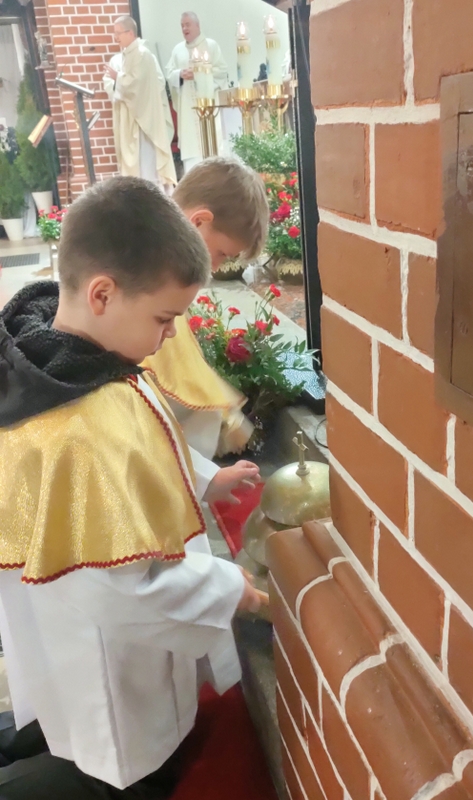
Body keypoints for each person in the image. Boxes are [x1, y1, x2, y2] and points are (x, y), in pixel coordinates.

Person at [0, 176, 262, 798]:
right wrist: (231, 589)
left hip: (70, 633)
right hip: (110, 662)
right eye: (164, 318)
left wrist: (204, 480)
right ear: (102, 293)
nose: (170, 335)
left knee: (67, 724)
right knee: (120, 761)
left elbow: (140, 447)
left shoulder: (65, 354)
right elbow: (122, 590)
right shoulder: (74, 423)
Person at [143, 157, 269, 459]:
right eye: (222, 253)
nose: (216, 267)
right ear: (198, 222)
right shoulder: (148, 282)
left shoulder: (164, 270)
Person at [103, 16, 176, 190]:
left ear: (130, 33)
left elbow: (136, 85)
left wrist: (117, 77)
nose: (116, 37)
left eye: (118, 33)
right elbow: (114, 83)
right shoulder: (124, 56)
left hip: (143, 122)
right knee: (137, 170)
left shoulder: (143, 54)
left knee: (147, 167)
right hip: (128, 120)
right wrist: (116, 80)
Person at [166, 13, 228, 174]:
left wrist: (200, 73)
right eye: (182, 25)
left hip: (209, 106)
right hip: (189, 109)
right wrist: (180, 74)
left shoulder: (211, 46)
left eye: (187, 24)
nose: (184, 28)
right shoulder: (178, 50)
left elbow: (222, 71)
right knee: (193, 156)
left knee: (213, 151)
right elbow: (169, 73)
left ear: (197, 25)